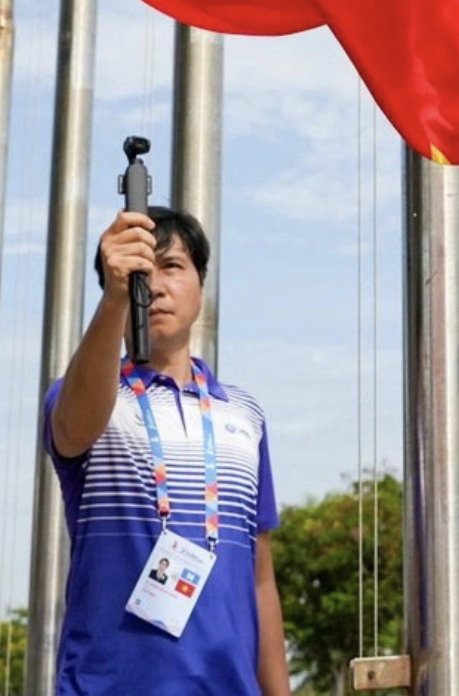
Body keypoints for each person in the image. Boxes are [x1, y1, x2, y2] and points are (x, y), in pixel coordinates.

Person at [44, 205, 291, 696]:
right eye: (140, 271)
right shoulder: (86, 394)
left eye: (172, 267)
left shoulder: (244, 414)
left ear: (201, 283)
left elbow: (262, 580)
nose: (154, 285)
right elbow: (71, 428)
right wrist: (116, 299)